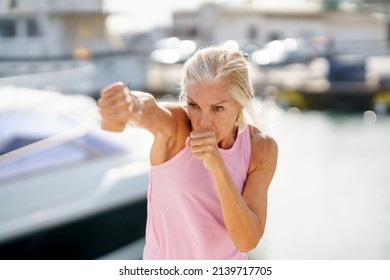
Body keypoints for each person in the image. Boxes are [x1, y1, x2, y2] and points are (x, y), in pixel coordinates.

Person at [98, 46, 278, 260]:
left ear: (242, 100)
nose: (203, 122)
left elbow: (246, 240)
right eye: (194, 105)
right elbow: (150, 111)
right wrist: (130, 105)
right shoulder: (177, 127)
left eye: (217, 108)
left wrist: (218, 167)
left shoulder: (260, 147)